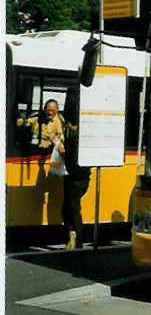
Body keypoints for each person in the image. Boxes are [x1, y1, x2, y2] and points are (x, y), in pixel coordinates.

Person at [58, 102, 90, 249]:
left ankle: (78, 239)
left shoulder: (75, 139)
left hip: (76, 178)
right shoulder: (83, 137)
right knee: (69, 207)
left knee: (72, 208)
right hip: (79, 178)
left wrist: (63, 153)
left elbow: (72, 159)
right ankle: (73, 236)